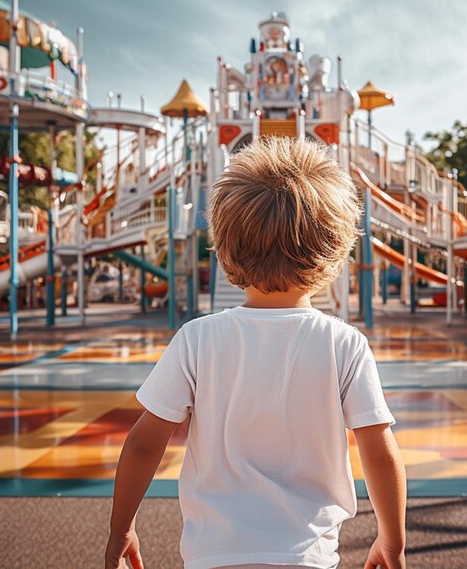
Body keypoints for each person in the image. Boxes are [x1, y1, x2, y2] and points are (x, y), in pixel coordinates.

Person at [106, 137, 406, 569]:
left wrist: (122, 529)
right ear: (333, 253)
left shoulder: (197, 339)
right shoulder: (344, 343)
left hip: (213, 554)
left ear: (226, 248)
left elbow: (143, 444)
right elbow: (378, 449)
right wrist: (392, 541)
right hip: (308, 555)